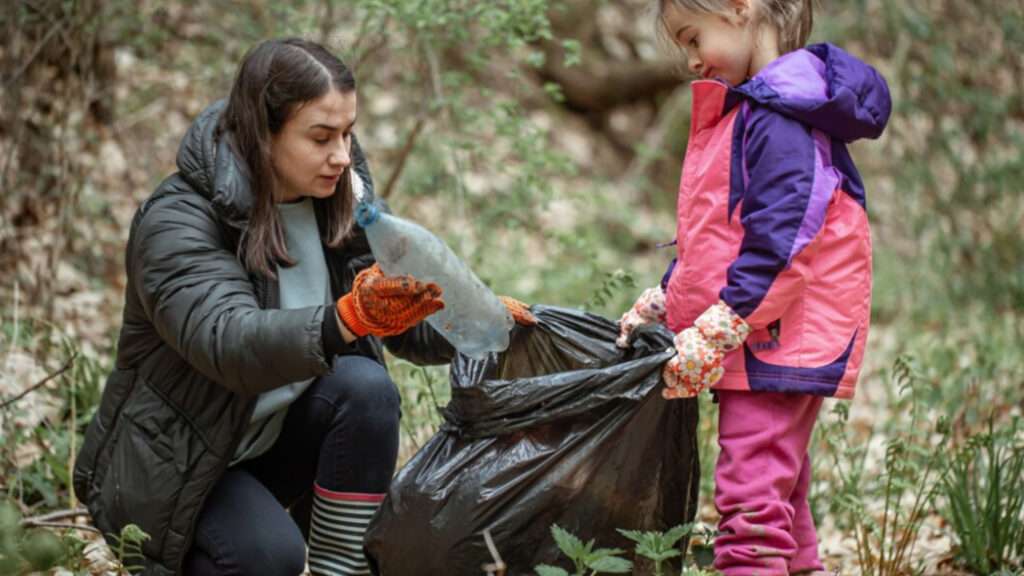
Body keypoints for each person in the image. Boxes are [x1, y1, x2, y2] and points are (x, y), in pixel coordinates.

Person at [73, 37, 534, 576]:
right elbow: (229, 341)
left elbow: (403, 318)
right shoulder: (178, 220)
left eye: (347, 133)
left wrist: (483, 320)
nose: (340, 154)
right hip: (176, 473)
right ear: (262, 135)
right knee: (269, 558)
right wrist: (345, 320)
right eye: (320, 137)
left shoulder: (341, 197)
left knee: (366, 389)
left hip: (273, 442)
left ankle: (344, 569)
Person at [616, 1, 891, 573]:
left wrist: (721, 325)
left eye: (694, 38)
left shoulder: (780, 117)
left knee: (750, 501)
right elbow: (721, 236)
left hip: (777, 335)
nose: (692, 62)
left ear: (739, 8)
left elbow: (784, 245)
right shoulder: (754, 111)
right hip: (766, 330)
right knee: (779, 493)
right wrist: (672, 296)